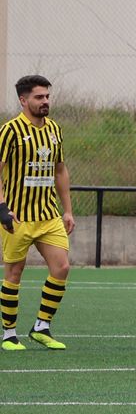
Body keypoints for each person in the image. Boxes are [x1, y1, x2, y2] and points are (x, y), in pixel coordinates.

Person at [0, 75, 75, 352]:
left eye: (47, 97)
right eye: (39, 97)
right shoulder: (9, 131)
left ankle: (41, 327)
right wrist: (1, 208)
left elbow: (60, 170)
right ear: (23, 100)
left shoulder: (54, 129)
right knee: (14, 273)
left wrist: (67, 210)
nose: (45, 102)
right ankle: (9, 334)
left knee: (62, 267)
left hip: (48, 215)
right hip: (17, 216)